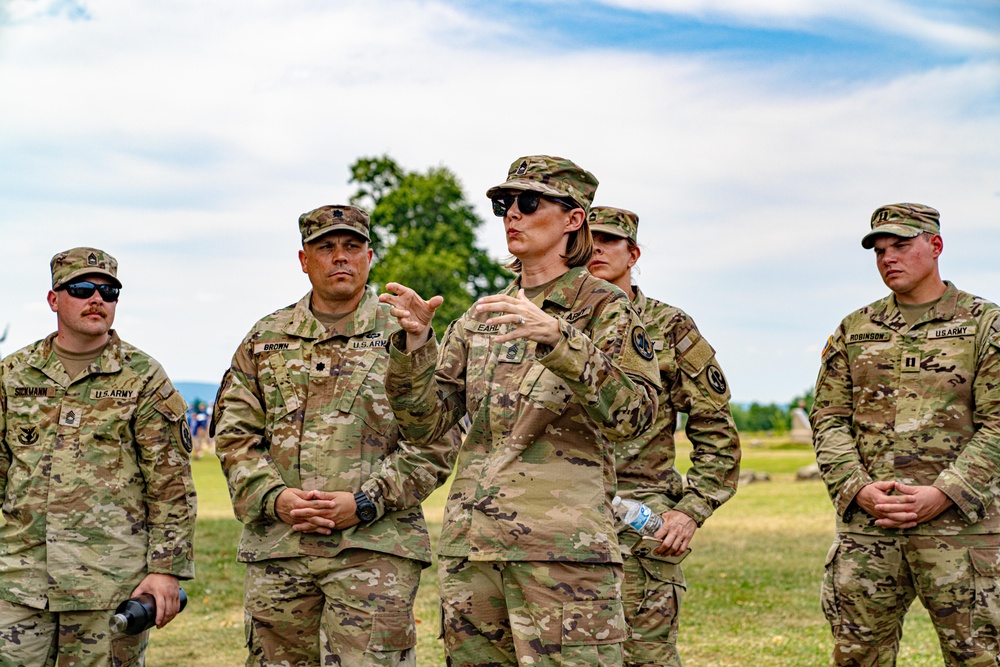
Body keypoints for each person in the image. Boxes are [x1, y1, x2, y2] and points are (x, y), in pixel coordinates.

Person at [358, 155, 662, 667]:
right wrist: (414, 346)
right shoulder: (483, 315)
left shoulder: (605, 308)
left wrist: (560, 339)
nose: (511, 216)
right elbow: (426, 424)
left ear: (573, 218)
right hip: (473, 550)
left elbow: (634, 417)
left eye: (527, 202)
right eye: (503, 205)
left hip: (563, 555)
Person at [211, 205, 455, 667]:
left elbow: (435, 441)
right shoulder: (265, 338)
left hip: (373, 550)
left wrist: (365, 502)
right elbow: (234, 436)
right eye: (326, 247)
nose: (340, 257)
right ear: (304, 260)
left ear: (370, 257)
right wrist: (274, 498)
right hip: (280, 548)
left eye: (352, 247)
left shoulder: (407, 334)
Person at [811, 203, 1000, 666]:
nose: (887, 258)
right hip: (870, 531)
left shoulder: (984, 324)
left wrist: (945, 493)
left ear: (935, 246)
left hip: (963, 534)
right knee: (858, 659)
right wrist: (858, 489)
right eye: (878, 250)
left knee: (979, 659)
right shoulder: (855, 329)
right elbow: (828, 418)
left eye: (900, 246)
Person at [0, 247, 197, 666]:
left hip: (108, 586)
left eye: (110, 292)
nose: (98, 299)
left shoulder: (144, 377)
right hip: (17, 583)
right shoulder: (13, 375)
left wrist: (166, 569)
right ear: (54, 299)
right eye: (83, 288)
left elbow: (171, 486)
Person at [586, 206, 741, 667]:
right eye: (587, 238)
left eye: (609, 240)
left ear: (632, 253)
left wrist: (690, 511)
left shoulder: (668, 326)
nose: (595, 248)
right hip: (559, 524)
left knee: (643, 659)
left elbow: (717, 430)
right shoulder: (551, 320)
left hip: (638, 525)